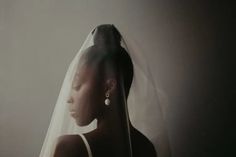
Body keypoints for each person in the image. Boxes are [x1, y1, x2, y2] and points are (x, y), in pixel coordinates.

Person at [53, 24, 157, 157]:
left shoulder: (70, 148)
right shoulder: (146, 148)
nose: (69, 98)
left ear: (109, 87)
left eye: (77, 85)